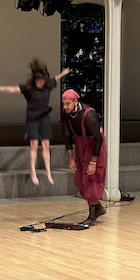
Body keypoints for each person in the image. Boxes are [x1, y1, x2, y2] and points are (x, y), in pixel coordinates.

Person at [0, 58, 70, 185]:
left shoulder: (48, 86)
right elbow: (10, 89)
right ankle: (33, 171)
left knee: (46, 144)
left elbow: (55, 78)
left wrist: (63, 73)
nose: (40, 83)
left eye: (42, 81)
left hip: (44, 117)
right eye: (38, 81)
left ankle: (48, 171)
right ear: (35, 80)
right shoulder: (29, 88)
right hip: (32, 119)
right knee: (34, 144)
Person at [61, 88, 107, 226]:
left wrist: (93, 162)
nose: (65, 107)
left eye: (68, 104)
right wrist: (71, 158)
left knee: (91, 178)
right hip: (80, 145)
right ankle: (97, 208)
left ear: (75, 102)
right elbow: (66, 135)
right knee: (80, 180)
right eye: (63, 104)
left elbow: (98, 139)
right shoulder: (66, 114)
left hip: (94, 146)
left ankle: (92, 216)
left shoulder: (89, 115)